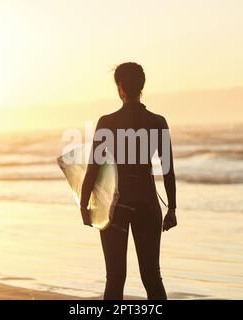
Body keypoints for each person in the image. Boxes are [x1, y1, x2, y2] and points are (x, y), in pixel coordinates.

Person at [80, 62, 177, 300]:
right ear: (142, 86)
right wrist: (172, 208)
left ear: (120, 88)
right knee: (152, 276)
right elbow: (168, 171)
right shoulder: (157, 122)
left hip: (117, 205)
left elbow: (93, 169)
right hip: (147, 202)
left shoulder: (107, 122)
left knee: (114, 277)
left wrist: (84, 205)